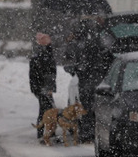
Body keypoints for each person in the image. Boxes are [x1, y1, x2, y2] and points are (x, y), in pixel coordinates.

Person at [64, 13, 114, 141]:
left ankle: (88, 131)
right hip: (96, 78)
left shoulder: (83, 39)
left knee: (88, 105)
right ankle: (91, 131)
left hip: (89, 77)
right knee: (93, 106)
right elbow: (109, 54)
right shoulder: (101, 37)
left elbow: (69, 58)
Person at [29, 32, 57, 140]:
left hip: (41, 86)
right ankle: (45, 134)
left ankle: (45, 133)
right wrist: (48, 88)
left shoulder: (45, 52)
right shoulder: (43, 54)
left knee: (46, 109)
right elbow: (48, 73)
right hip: (42, 87)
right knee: (47, 110)